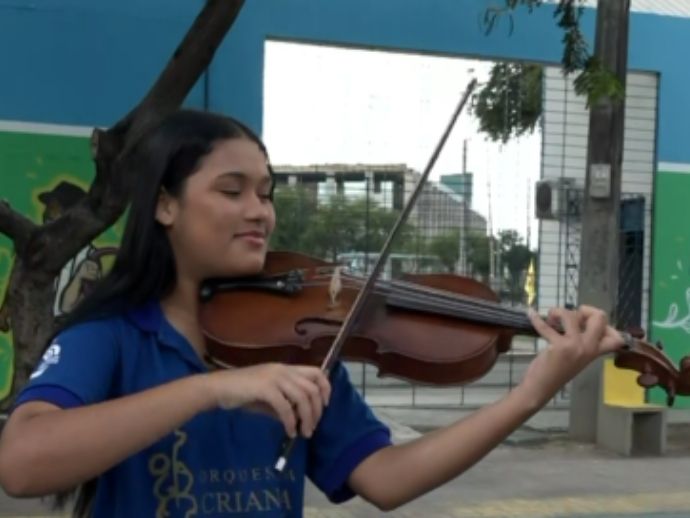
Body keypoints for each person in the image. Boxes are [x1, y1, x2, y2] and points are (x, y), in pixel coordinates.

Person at [0, 109, 624, 517]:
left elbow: (385, 478)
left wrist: (525, 399)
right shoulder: (112, 335)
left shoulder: (294, 344)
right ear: (165, 205)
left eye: (266, 194)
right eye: (232, 190)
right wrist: (210, 389)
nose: (260, 212)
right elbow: (22, 463)